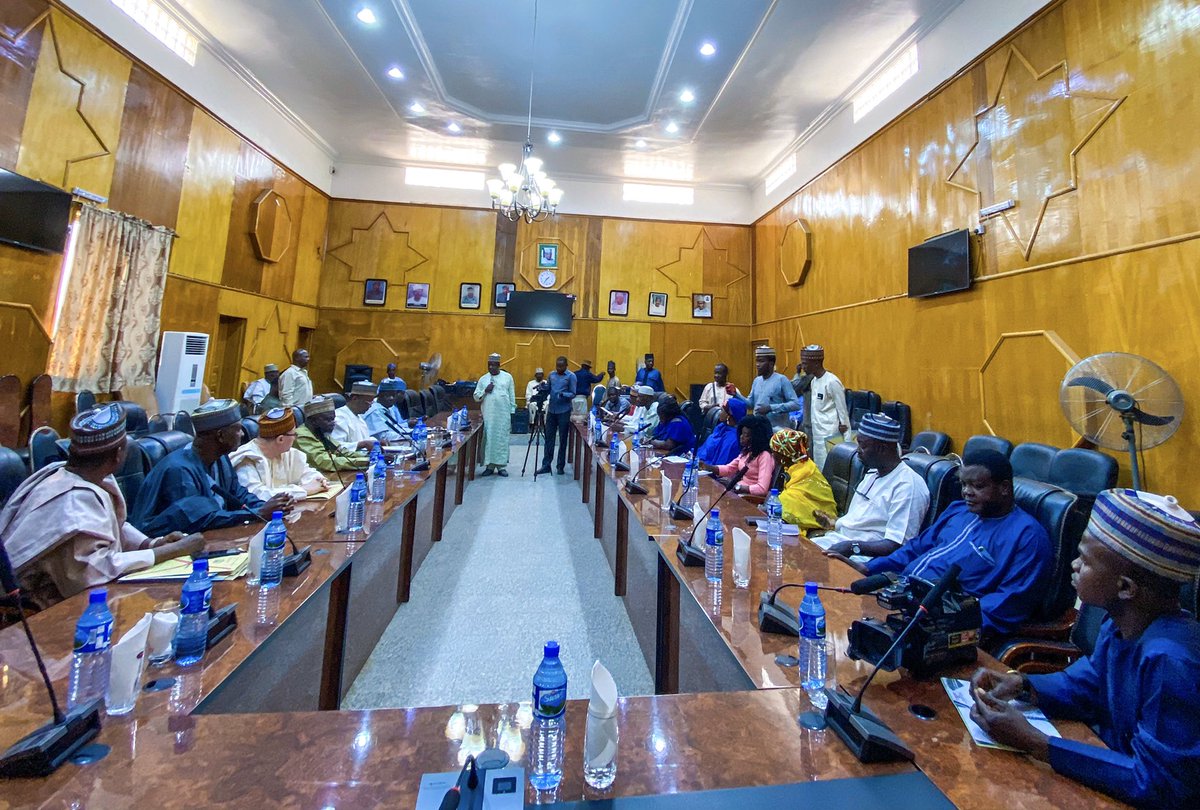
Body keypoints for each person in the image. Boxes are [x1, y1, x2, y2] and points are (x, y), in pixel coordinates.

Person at [968, 489, 1200, 807]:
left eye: (1085, 560)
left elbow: (1160, 783)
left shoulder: (1171, 661)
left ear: (1125, 588)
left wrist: (1038, 743)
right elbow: (1089, 683)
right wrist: (1023, 685)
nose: (1074, 566)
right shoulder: (1118, 623)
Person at [828, 450, 1051, 638]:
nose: (967, 492)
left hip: (942, 621)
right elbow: (915, 549)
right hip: (901, 597)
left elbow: (1008, 604)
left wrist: (946, 620)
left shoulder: (1028, 536)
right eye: (964, 484)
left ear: (1004, 488)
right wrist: (869, 569)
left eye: (977, 486)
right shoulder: (959, 510)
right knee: (833, 617)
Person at [0, 405, 204, 609]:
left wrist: (151, 544)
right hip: (28, 612)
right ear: (117, 455)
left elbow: (111, 523)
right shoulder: (72, 501)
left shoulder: (80, 477)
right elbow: (93, 572)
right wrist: (173, 551)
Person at [133, 399, 290, 536]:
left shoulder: (220, 458)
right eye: (237, 429)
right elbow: (202, 521)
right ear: (220, 435)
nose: (242, 434)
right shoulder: (179, 470)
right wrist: (259, 513)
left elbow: (238, 495)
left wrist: (269, 507)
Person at [815, 413, 929, 559]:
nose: (857, 450)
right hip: (838, 542)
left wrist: (853, 547)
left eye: (862, 445)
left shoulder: (908, 485)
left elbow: (897, 545)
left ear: (882, 448)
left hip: (862, 558)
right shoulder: (872, 473)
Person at [230, 407, 328, 501]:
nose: (295, 438)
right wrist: (303, 490)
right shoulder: (247, 458)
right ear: (280, 439)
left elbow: (307, 472)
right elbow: (256, 495)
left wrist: (319, 481)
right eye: (294, 434)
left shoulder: (286, 452)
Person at [768, 429, 837, 531]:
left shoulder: (805, 470)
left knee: (783, 502)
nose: (772, 455)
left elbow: (791, 500)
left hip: (824, 517)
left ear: (785, 454)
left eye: (774, 451)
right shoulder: (794, 466)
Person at [698, 415, 775, 497]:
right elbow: (729, 469)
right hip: (738, 493)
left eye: (746, 435)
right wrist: (707, 467)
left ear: (756, 437)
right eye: (741, 433)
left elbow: (762, 489)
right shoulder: (748, 451)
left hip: (750, 498)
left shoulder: (765, 456)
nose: (741, 437)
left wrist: (736, 487)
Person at [800, 345, 848, 470]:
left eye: (805, 364)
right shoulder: (813, 382)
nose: (803, 367)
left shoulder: (832, 382)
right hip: (816, 435)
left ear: (816, 363)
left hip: (831, 436)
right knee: (820, 470)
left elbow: (843, 413)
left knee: (831, 471)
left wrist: (847, 442)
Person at [295, 396, 370, 475]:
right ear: (313, 420)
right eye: (328, 420)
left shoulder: (320, 431)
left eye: (333, 419)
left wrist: (369, 455)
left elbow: (341, 452)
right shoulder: (301, 436)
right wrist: (366, 461)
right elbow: (326, 462)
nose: (333, 423)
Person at [474, 353, 516, 477]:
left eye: (494, 365)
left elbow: (512, 395)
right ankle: (489, 466)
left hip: (503, 414)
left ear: (499, 365)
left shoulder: (507, 377)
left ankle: (501, 466)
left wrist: (512, 412)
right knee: (489, 439)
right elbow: (476, 397)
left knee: (501, 439)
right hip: (489, 415)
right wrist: (485, 390)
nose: (491, 367)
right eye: (489, 365)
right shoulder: (483, 379)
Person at [537, 356, 577, 476]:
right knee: (549, 438)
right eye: (557, 365)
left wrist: (563, 394)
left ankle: (560, 466)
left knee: (563, 439)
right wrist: (543, 387)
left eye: (561, 366)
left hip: (564, 411)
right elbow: (549, 388)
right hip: (552, 411)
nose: (559, 368)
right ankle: (546, 465)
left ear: (566, 366)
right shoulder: (551, 375)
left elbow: (573, 393)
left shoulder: (571, 376)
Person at [746, 346, 800, 431]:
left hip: (778, 433)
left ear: (771, 363)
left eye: (761, 361)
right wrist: (735, 394)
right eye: (757, 361)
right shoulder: (757, 381)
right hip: (760, 431)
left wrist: (771, 408)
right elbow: (750, 405)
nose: (757, 364)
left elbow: (795, 405)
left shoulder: (782, 380)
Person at [696, 398, 747, 466]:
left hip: (711, 471)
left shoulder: (733, 439)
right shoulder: (721, 427)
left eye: (722, 410)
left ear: (729, 416)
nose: (720, 412)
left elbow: (721, 465)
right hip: (700, 462)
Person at [332, 380, 379, 453]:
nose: (370, 406)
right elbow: (336, 447)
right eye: (367, 403)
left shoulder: (359, 417)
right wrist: (362, 444)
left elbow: (363, 439)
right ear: (355, 398)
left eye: (371, 403)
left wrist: (376, 443)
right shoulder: (339, 417)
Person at [365, 378, 410, 443]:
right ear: (380, 395)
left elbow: (394, 427)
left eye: (393, 395)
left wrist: (410, 432)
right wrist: (408, 435)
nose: (391, 398)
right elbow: (383, 437)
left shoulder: (388, 408)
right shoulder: (374, 411)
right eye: (387, 395)